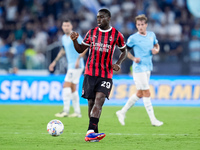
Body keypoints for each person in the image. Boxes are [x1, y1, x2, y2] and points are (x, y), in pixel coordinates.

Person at [70, 8, 127, 142]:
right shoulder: (91, 33)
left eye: (101, 17)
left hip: (106, 74)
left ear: (108, 18)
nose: (98, 20)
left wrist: (118, 63)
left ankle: (89, 132)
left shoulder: (117, 35)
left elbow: (124, 52)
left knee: (99, 99)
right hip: (90, 72)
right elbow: (80, 49)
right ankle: (93, 133)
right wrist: (74, 41)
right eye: (97, 18)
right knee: (90, 102)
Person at [116, 14, 163, 127]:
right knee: (147, 92)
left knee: (140, 94)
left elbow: (157, 45)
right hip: (138, 69)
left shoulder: (151, 35)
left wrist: (156, 50)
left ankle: (121, 112)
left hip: (148, 67)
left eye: (142, 24)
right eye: (138, 25)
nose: (140, 27)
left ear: (146, 25)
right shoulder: (133, 38)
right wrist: (133, 58)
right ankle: (153, 120)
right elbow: (124, 51)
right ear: (136, 26)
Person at [49, 19, 87, 118]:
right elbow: (63, 51)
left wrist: (79, 59)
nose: (66, 27)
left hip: (76, 66)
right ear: (62, 27)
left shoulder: (75, 36)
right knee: (73, 88)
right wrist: (54, 62)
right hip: (72, 66)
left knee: (66, 85)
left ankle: (65, 111)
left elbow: (85, 47)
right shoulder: (63, 38)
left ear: (71, 26)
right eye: (64, 25)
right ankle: (77, 112)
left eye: (68, 25)